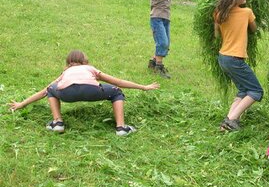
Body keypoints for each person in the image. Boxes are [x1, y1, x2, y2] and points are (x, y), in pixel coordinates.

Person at [9, 50, 159, 136]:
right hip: (92, 90)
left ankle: (57, 123)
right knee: (116, 92)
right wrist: (143, 87)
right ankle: (121, 127)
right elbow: (117, 82)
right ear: (85, 62)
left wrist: (21, 104)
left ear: (68, 63)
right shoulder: (90, 68)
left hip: (66, 93)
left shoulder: (66, 72)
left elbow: (44, 91)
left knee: (51, 90)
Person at [214, 0, 264, 131]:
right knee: (256, 91)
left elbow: (217, 35)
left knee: (243, 91)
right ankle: (232, 120)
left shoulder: (218, 13)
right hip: (235, 59)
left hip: (223, 57)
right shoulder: (246, 12)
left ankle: (226, 123)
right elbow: (254, 30)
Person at [148, 0, 209, 78]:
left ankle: (153, 62)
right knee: (163, 42)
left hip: (166, 19)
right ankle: (159, 67)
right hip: (156, 18)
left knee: (166, 43)